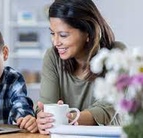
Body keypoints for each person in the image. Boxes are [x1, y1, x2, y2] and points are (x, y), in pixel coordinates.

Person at [36, 0, 125, 134]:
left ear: (88, 33)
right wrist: (42, 118)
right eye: (52, 33)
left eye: (63, 35)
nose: (55, 42)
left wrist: (68, 118)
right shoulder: (53, 56)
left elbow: (106, 109)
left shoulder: (116, 53)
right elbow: (47, 106)